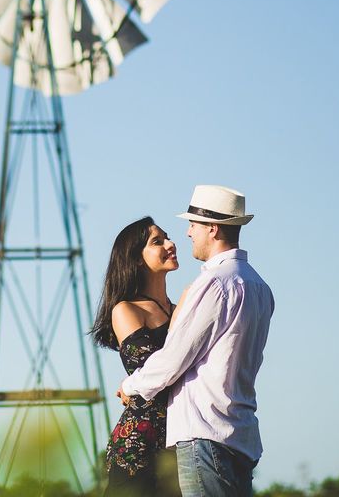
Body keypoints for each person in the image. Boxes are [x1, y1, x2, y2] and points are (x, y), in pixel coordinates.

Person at [118, 185, 274, 497]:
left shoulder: (214, 284)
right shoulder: (259, 286)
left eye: (193, 224)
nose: (187, 233)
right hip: (240, 434)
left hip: (206, 432)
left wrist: (131, 386)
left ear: (212, 229)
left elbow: (176, 356)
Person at [90, 217, 181, 496]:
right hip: (139, 443)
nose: (170, 243)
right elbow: (154, 372)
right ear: (137, 259)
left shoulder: (182, 308)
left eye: (167, 237)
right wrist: (132, 384)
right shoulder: (126, 310)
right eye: (158, 242)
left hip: (180, 442)